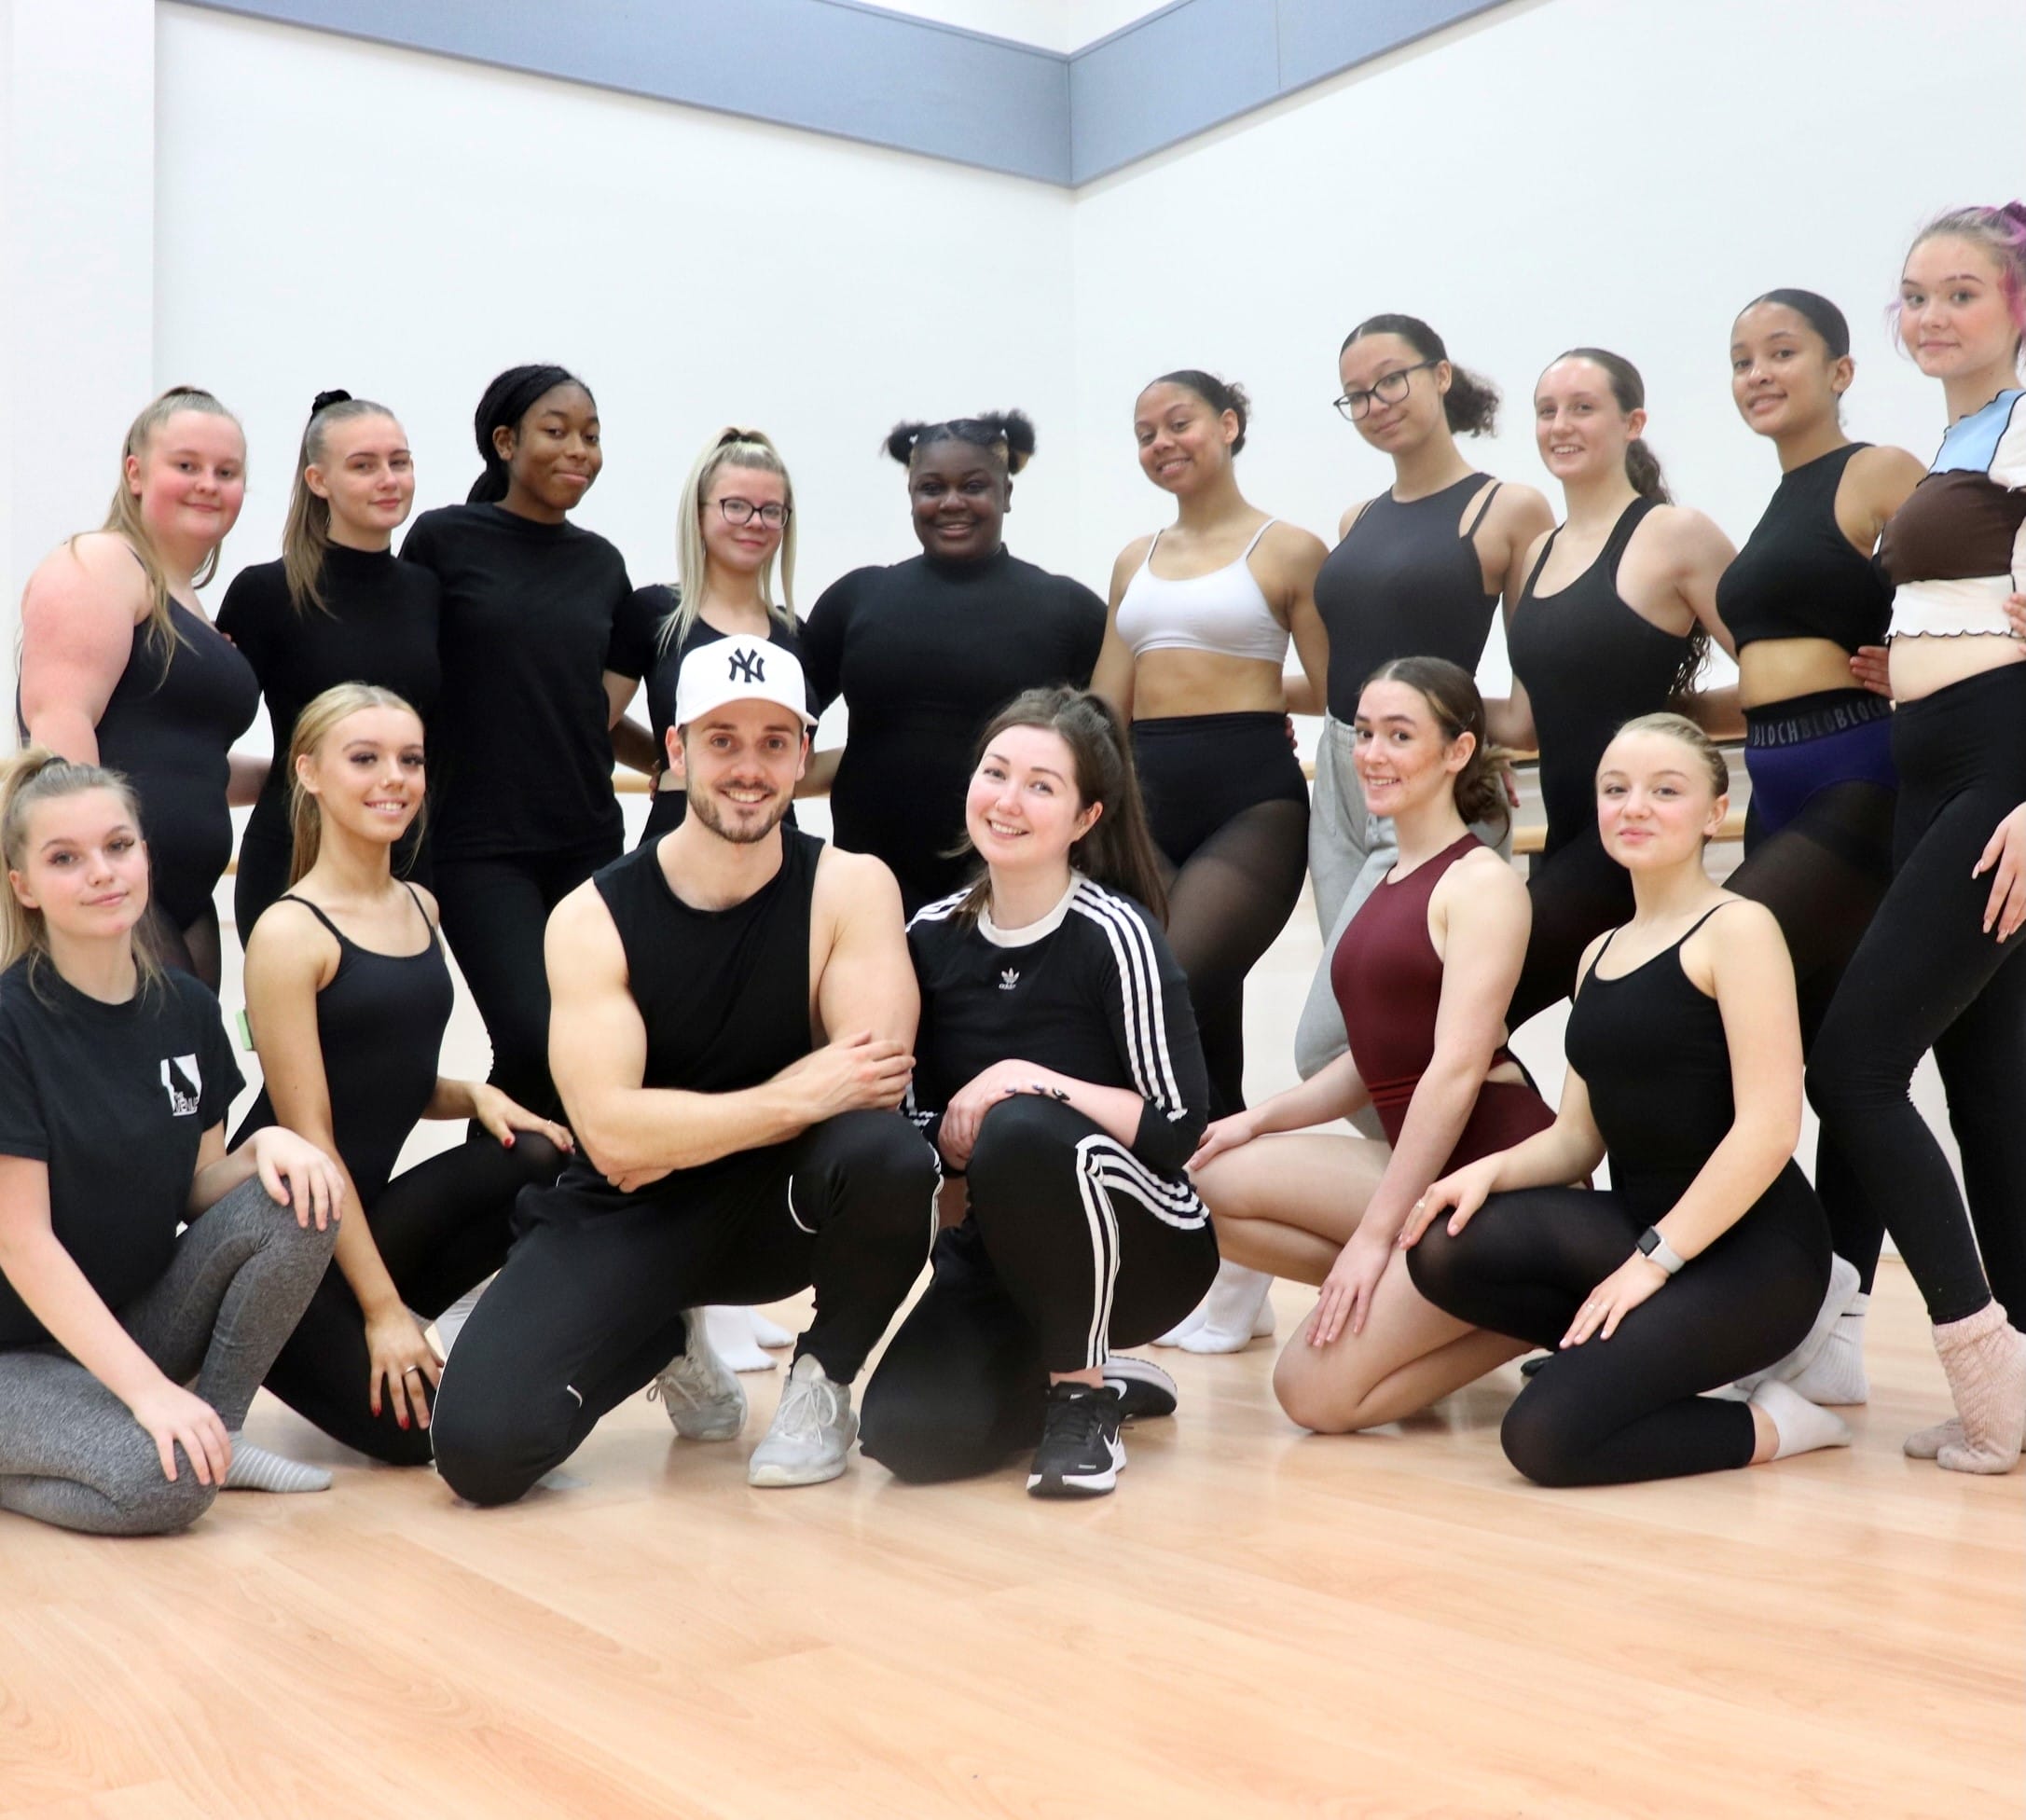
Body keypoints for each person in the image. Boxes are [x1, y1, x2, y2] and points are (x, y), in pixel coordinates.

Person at [428, 637, 939, 1505]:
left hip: (781, 1203)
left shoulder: (851, 886)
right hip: (628, 1209)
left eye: (773, 742)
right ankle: (663, 1338)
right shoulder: (592, 916)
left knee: (886, 1158)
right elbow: (614, 1141)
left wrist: (675, 1128)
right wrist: (794, 1094)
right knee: (479, 1454)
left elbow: (871, 1083)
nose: (749, 768)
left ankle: (823, 1380)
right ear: (675, 751)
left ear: (802, 754)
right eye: (722, 740)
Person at [1401, 714, 1849, 1486]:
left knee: (1541, 1439)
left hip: (1755, 1255)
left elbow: (1770, 1130)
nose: (1633, 806)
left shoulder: (1739, 930)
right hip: (1641, 1227)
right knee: (1443, 1244)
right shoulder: (1596, 954)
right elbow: (1576, 1140)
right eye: (1615, 790)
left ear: (1714, 812)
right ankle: (1638, 1361)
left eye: (1664, 791)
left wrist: (1653, 1262)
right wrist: (1480, 1174)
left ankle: (1780, 1421)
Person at [858, 688, 1216, 1496]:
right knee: (905, 1436)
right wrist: (946, 1132)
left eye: (1041, 786)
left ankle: (1082, 1403)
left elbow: (1175, 1126)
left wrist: (1028, 1082)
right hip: (1007, 1247)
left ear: (1085, 818)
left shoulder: (1115, 935)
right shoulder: (927, 936)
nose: (1008, 801)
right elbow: (907, 1116)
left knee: (1021, 1125)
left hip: (1148, 1245)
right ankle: (1092, 1372)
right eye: (995, 773)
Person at [1188, 660, 1558, 1435]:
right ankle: (1417, 1300)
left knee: (1309, 1395)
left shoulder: (1481, 884)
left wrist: (1371, 1235)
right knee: (1203, 1181)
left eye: (1398, 735)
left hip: (1494, 1181)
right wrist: (1257, 1119)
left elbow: (1454, 1070)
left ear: (1457, 752)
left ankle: (1530, 1315)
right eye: (1362, 734)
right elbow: (1374, 1059)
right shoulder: (1391, 874)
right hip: (1426, 1172)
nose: (1371, 755)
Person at [1809, 204, 2026, 1474]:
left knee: (1853, 1066)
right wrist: (1922, 653)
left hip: (1999, 773)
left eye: (1961, 292)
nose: (1931, 315)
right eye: (1915, 295)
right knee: (1989, 1086)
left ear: (2016, 304)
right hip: (1934, 764)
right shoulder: (1961, 436)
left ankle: (1982, 1375)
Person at [0, 751, 343, 1534]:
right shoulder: (9, 1025)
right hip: (13, 1352)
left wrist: (265, 1151)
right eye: (64, 858)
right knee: (169, 1485)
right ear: (24, 886)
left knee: (305, 1194)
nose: (102, 872)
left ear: (145, 856)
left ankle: (223, 1433)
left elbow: (193, 1189)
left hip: (129, 1320)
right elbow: (21, 1243)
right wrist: (149, 1393)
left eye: (118, 846)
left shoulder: (186, 1007)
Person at [235, 684, 572, 1463]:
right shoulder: (288, 934)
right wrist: (382, 1312)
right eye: (365, 759)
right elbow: (313, 1137)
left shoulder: (421, 906)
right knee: (422, 1441)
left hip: (358, 1217)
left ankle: (455, 1331)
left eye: (410, 760)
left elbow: (386, 1077)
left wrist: (475, 1094)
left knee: (538, 1152)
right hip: (278, 1249)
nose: (394, 778)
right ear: (309, 773)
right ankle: (335, 1337)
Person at [1715, 292, 1927, 1405]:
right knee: (1820, 1049)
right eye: (1740, 358)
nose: (1756, 372)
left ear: (1840, 370)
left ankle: (1829, 1313)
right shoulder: (1773, 500)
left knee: (1718, 978)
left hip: (1857, 770)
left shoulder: (1877, 469)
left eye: (1780, 352)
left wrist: (1921, 657)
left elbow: (1977, 583)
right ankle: (1812, 1313)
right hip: (1772, 781)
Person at [1093, 370, 1328, 1351]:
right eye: (1143, 431)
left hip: (1250, 797)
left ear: (1228, 425)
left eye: (1178, 421)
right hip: (1144, 802)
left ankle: (1233, 1254)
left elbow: (1337, 686)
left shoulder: (1288, 547)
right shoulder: (1133, 559)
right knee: (1192, 1011)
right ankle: (1218, 1253)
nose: (1161, 442)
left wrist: (1251, 692)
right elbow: (1106, 704)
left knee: (1178, 983)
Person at [1294, 316, 1554, 1086]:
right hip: (1339, 775)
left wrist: (1465, 746)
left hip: (1427, 787)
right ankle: (1444, 1169)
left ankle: (1513, 1148)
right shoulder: (1356, 520)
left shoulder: (1509, 509)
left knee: (1326, 1046)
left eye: (1390, 380)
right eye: (1355, 395)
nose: (1374, 404)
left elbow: (1528, 702)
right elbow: (1339, 672)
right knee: (1387, 1032)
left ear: (1440, 375)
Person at [399, 365, 646, 1119]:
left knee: (584, 1049)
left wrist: (674, 766)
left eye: (591, 436)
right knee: (538, 1039)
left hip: (586, 840)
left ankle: (529, 1197)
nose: (579, 450)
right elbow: (400, 676)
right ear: (505, 442)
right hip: (478, 845)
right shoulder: (443, 539)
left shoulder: (602, 564)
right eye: (557, 431)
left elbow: (588, 711)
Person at [1503, 350, 1738, 1029]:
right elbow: (1524, 721)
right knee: (1606, 1052)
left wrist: (1675, 719)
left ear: (1633, 422)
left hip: (1634, 840)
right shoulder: (1537, 552)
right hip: (1562, 835)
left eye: (1582, 408)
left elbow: (1775, 676)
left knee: (1464, 1012)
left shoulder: (1675, 535)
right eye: (1546, 411)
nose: (1560, 425)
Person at [800, 412, 1106, 914]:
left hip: (1013, 898)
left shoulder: (1069, 610)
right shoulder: (857, 600)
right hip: (872, 894)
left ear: (1007, 493)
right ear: (911, 495)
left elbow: (1117, 748)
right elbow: (779, 722)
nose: (951, 502)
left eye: (973, 486)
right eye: (932, 488)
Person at [16, 387, 258, 989]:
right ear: (136, 473)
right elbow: (59, 727)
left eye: (226, 472)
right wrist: (100, 868)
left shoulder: (190, 606)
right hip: (117, 894)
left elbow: (186, 763)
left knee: (191, 1052)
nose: (208, 484)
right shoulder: (99, 563)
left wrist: (296, 778)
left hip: (186, 897)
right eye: (186, 465)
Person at [219, 392, 442, 935]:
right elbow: (202, 731)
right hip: (293, 851)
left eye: (399, 462)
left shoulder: (428, 591)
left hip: (403, 854)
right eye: (364, 466)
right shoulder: (265, 593)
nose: (388, 479)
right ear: (318, 481)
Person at [608, 428, 806, 845]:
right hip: (677, 842)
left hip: (778, 848)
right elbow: (592, 726)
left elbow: (801, 757)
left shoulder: (796, 636)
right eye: (736, 506)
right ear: (698, 514)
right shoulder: (653, 614)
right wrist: (671, 761)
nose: (755, 522)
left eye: (771, 510)